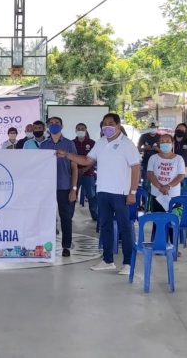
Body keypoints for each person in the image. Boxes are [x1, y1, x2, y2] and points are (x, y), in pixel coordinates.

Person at [59, 113, 140, 275]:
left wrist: (132, 192)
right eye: (104, 124)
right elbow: (87, 160)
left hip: (121, 193)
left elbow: (136, 168)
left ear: (118, 126)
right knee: (105, 226)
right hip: (103, 191)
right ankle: (108, 260)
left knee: (125, 228)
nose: (107, 127)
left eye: (111, 123)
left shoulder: (127, 144)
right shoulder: (101, 142)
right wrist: (67, 155)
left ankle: (128, 263)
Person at [39, 117, 78, 257]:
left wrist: (74, 189)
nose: (54, 125)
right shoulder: (43, 145)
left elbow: (74, 167)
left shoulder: (69, 144)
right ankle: (45, 246)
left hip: (64, 186)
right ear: (47, 126)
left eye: (57, 123)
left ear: (62, 125)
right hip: (47, 188)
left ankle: (66, 246)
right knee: (46, 218)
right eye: (51, 123)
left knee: (65, 218)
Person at [147, 133, 185, 213]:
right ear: (159, 144)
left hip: (173, 195)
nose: (165, 143)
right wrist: (160, 187)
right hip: (157, 195)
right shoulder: (153, 158)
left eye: (168, 141)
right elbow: (150, 174)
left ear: (172, 143)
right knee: (157, 218)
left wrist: (168, 187)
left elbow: (181, 175)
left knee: (173, 219)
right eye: (162, 141)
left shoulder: (179, 159)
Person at [72, 123, 98, 222]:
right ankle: (69, 215)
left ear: (86, 130)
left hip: (88, 174)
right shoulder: (72, 143)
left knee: (91, 196)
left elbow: (94, 158)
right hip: (74, 174)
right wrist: (77, 169)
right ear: (75, 130)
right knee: (72, 194)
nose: (80, 130)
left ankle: (95, 215)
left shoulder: (92, 143)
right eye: (78, 129)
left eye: (82, 129)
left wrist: (85, 169)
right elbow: (70, 157)